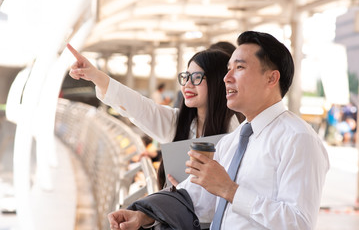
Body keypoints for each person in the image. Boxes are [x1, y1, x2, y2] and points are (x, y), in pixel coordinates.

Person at [107, 31, 329, 230]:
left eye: (239, 68)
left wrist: (230, 190)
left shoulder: (297, 139)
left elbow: (299, 222)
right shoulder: (235, 139)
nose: (227, 78)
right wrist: (142, 214)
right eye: (228, 69)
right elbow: (198, 196)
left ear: (272, 78)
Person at [67, 44, 241, 188]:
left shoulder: (237, 135)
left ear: (218, 83)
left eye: (196, 78)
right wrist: (95, 76)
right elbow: (138, 107)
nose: (187, 85)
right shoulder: (177, 122)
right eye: (186, 77)